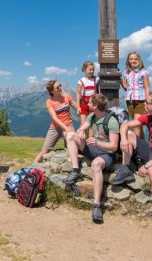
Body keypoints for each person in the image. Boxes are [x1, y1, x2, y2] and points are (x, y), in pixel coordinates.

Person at [111, 92, 152, 235]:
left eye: (147, 102)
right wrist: (123, 139)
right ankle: (125, 169)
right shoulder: (149, 118)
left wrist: (148, 166)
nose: (144, 105)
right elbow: (126, 124)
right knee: (130, 134)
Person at [61, 93, 119, 224]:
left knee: (96, 165)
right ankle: (75, 170)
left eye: (90, 103)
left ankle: (96, 205)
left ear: (96, 105)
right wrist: (81, 131)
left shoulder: (112, 121)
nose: (87, 104)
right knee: (70, 135)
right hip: (93, 147)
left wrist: (98, 143)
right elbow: (83, 127)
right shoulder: (92, 116)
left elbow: (114, 147)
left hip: (106, 153)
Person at [34, 80, 80, 163]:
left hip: (68, 125)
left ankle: (73, 169)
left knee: (72, 149)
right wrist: (65, 128)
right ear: (52, 91)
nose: (60, 88)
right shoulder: (49, 102)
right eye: (57, 87)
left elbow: (76, 106)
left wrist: (79, 109)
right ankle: (31, 168)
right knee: (45, 151)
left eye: (60, 85)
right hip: (55, 127)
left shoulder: (67, 96)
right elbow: (54, 118)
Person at [120, 52, 150, 138]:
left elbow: (147, 87)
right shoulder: (126, 73)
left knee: (136, 125)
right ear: (128, 61)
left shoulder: (143, 72)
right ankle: (142, 146)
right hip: (130, 100)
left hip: (140, 100)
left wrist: (147, 99)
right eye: (131, 59)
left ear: (139, 60)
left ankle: (136, 147)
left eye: (135, 59)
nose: (133, 61)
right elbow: (126, 87)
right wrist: (119, 78)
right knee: (138, 125)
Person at [76, 61, 97, 134]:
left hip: (93, 102)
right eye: (90, 70)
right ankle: (82, 140)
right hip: (84, 103)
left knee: (92, 123)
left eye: (93, 70)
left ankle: (90, 141)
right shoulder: (81, 81)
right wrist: (78, 106)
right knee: (83, 123)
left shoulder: (96, 80)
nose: (92, 71)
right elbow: (78, 94)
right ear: (84, 70)